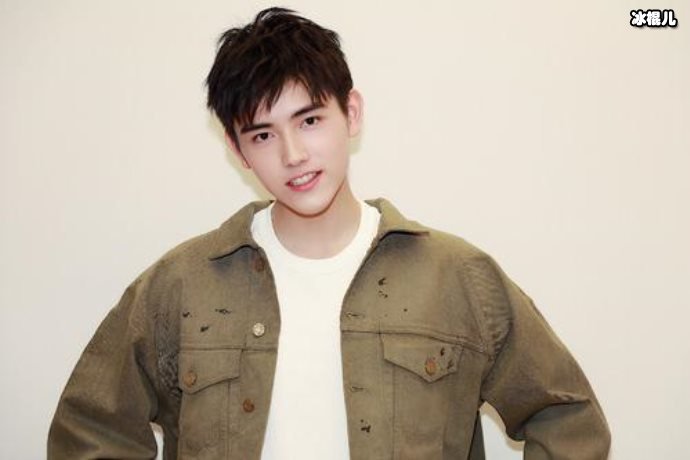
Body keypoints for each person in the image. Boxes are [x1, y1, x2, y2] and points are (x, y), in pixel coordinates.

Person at [48, 7, 611, 460]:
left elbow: (568, 420)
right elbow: (90, 432)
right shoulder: (180, 285)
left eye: (310, 120)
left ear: (352, 113)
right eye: (263, 135)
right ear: (237, 149)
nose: (293, 154)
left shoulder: (458, 278)